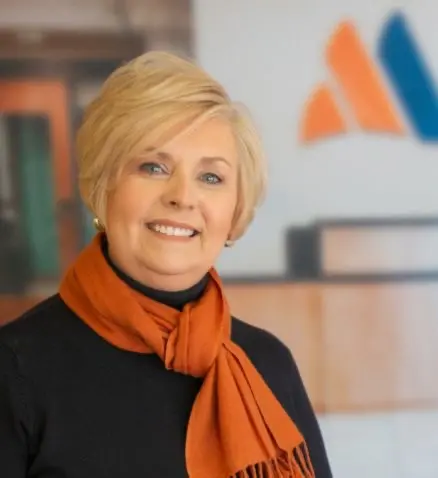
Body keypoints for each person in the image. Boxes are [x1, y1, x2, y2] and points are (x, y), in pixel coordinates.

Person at [0, 51, 332, 478]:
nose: (182, 196)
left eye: (211, 177)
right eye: (153, 167)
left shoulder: (267, 362)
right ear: (104, 187)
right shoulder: (16, 369)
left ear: (235, 210)